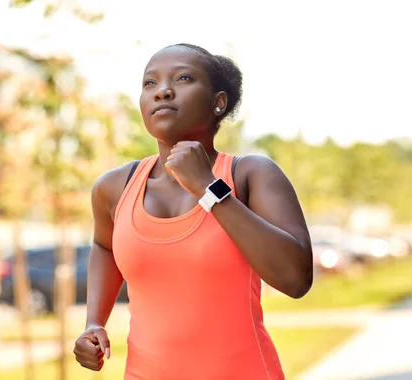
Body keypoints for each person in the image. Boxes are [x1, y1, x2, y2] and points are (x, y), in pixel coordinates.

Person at [73, 43, 314, 380]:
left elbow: (296, 279)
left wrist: (209, 189)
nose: (163, 92)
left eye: (183, 78)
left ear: (218, 102)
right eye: (150, 83)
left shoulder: (251, 175)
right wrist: (94, 322)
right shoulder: (114, 187)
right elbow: (105, 246)